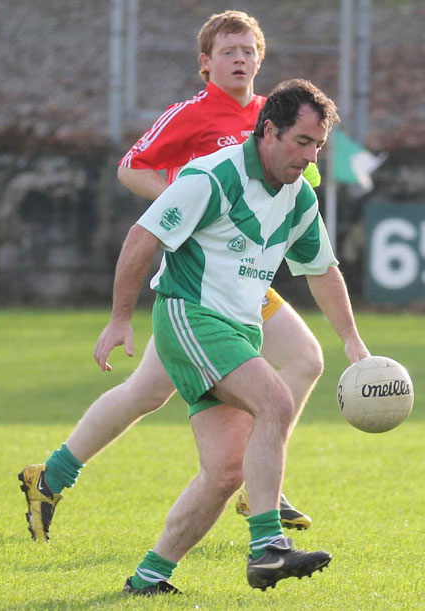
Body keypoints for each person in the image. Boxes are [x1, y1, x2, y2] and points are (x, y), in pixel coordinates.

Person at [18, 10, 319, 544]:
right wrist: (182, 206)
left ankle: (254, 483)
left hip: (243, 281)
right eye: (228, 51)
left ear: (260, 59)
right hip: (198, 280)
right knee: (144, 394)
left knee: (303, 360)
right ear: (206, 64)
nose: (240, 59)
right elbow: (130, 166)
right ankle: (54, 475)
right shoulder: (191, 113)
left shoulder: (272, 119)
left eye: (248, 50)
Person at [102, 78, 368, 595]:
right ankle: (269, 547)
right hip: (190, 315)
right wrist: (119, 318)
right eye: (301, 142)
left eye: (317, 146)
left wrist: (353, 341)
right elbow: (143, 235)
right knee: (275, 400)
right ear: (268, 131)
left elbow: (321, 269)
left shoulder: (297, 195)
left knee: (225, 472)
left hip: (238, 329)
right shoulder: (214, 174)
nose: (309, 156)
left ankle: (149, 577)